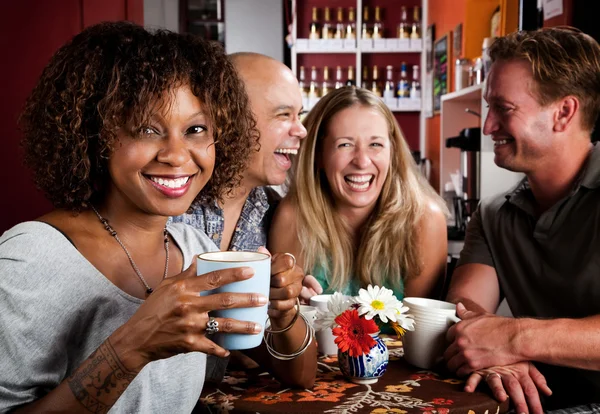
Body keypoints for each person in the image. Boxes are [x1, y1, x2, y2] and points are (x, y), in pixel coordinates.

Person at [0, 22, 315, 413]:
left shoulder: (196, 252)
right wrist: (135, 344)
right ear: (95, 134)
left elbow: (299, 375)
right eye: (148, 129)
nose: (178, 155)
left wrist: (282, 312)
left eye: (196, 129)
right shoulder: (28, 260)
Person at [444, 27, 600, 413]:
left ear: (564, 112)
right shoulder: (494, 214)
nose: (487, 127)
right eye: (488, 107)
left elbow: (495, 334)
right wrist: (492, 351)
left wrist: (512, 338)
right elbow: (463, 312)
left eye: (504, 109)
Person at [269, 87, 448, 305]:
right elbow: (284, 326)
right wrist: (294, 314)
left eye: (375, 145)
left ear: (392, 152)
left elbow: (420, 332)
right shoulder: (293, 218)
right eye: (345, 145)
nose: (362, 161)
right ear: (318, 155)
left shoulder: (425, 220)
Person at [171, 52, 307, 252]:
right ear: (230, 118)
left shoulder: (276, 213)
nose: (301, 130)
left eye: (299, 115)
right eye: (284, 115)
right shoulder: (168, 201)